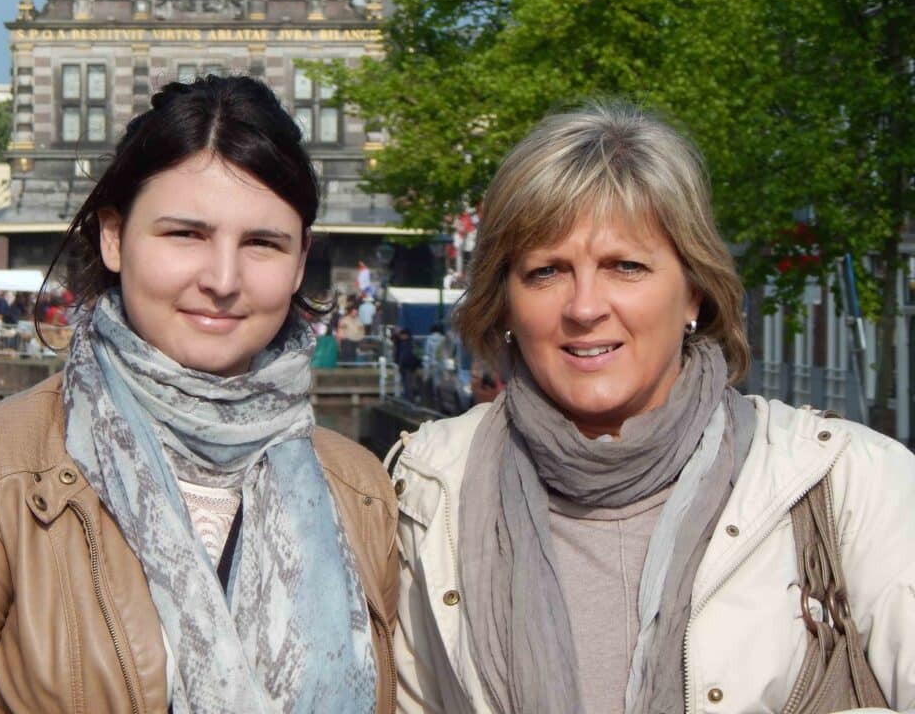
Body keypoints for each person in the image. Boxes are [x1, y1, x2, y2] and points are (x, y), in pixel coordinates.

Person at [0, 75, 398, 714]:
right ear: (113, 236)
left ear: (300, 262)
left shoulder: (361, 489)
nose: (222, 279)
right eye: (185, 234)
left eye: (262, 243)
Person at [388, 102, 915, 713]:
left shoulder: (850, 484)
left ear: (694, 291)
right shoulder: (427, 493)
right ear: (504, 301)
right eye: (547, 271)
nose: (585, 307)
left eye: (626, 267)